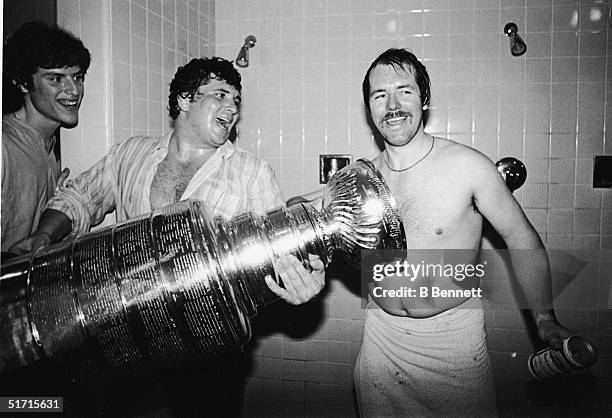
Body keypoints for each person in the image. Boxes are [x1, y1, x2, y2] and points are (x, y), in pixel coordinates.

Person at [11, 57, 325, 416]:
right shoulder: (131, 155)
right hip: (124, 338)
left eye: (236, 100)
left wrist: (302, 286)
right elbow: (80, 196)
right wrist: (43, 235)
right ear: (185, 100)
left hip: (209, 350)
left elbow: (275, 254)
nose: (232, 108)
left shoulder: (250, 172)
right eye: (221, 95)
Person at [351, 48, 573, 417]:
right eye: (379, 95)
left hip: (452, 347)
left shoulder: (468, 166)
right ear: (369, 108)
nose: (392, 104)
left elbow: (521, 238)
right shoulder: (361, 181)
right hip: (380, 343)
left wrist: (545, 320)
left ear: (424, 100)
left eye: (404, 90)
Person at [2, 21, 90, 254]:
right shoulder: (4, 146)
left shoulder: (50, 149)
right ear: (22, 83)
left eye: (78, 77)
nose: (74, 91)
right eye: (56, 79)